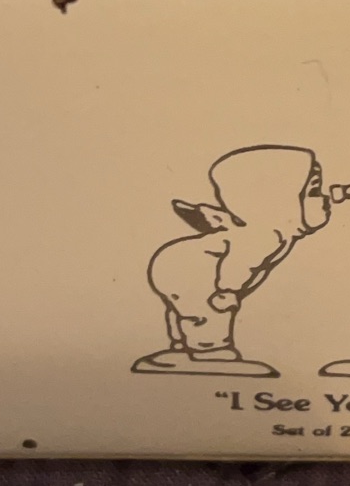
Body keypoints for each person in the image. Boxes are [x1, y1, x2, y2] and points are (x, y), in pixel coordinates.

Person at [134, 144, 329, 376]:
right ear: (281, 200)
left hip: (173, 262)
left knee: (185, 309)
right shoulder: (268, 235)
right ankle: (211, 352)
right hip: (194, 268)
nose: (326, 198)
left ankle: (181, 346)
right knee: (208, 310)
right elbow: (241, 262)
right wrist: (228, 290)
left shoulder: (265, 231)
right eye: (314, 192)